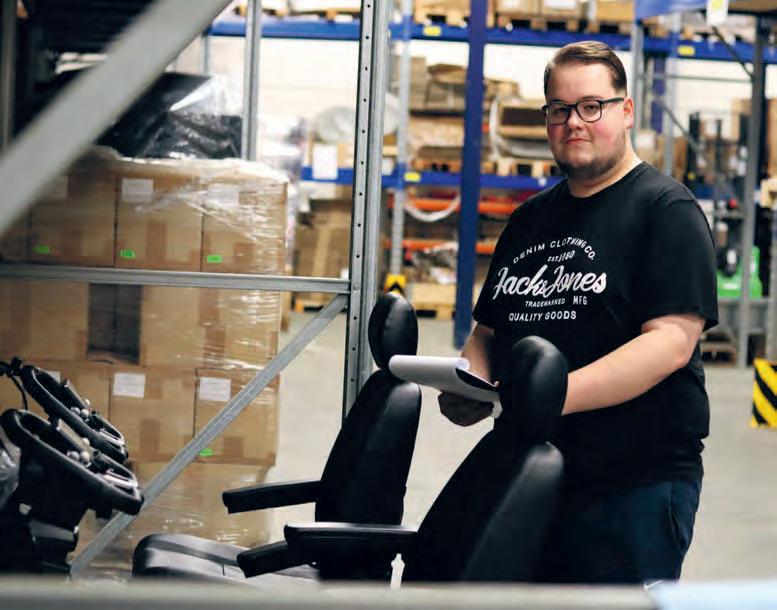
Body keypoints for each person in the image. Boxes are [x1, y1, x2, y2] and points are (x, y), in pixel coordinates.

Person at [438, 41, 718, 585]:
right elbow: (488, 331)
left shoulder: (666, 211)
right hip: (526, 468)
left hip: (631, 484)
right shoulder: (529, 220)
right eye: (560, 109)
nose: (574, 122)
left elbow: (669, 342)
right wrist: (471, 381)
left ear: (626, 111)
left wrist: (551, 395)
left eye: (592, 106)